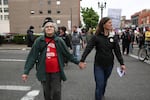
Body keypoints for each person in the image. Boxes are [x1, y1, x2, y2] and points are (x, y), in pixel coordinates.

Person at [22, 17, 85, 100]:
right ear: (44, 29)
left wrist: (78, 62)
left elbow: (68, 55)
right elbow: (32, 57)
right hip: (44, 71)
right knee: (47, 93)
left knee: (56, 92)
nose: (49, 28)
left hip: (56, 71)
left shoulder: (59, 41)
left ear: (54, 29)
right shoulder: (39, 41)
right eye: (47, 27)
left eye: (51, 26)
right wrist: (26, 72)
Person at [79, 17, 126, 100]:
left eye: (111, 23)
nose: (111, 24)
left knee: (104, 82)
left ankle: (101, 93)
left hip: (109, 64)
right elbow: (88, 48)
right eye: (109, 23)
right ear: (104, 25)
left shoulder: (113, 37)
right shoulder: (96, 37)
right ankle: (99, 96)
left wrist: (122, 63)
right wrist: (82, 60)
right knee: (99, 84)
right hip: (98, 65)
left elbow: (117, 51)